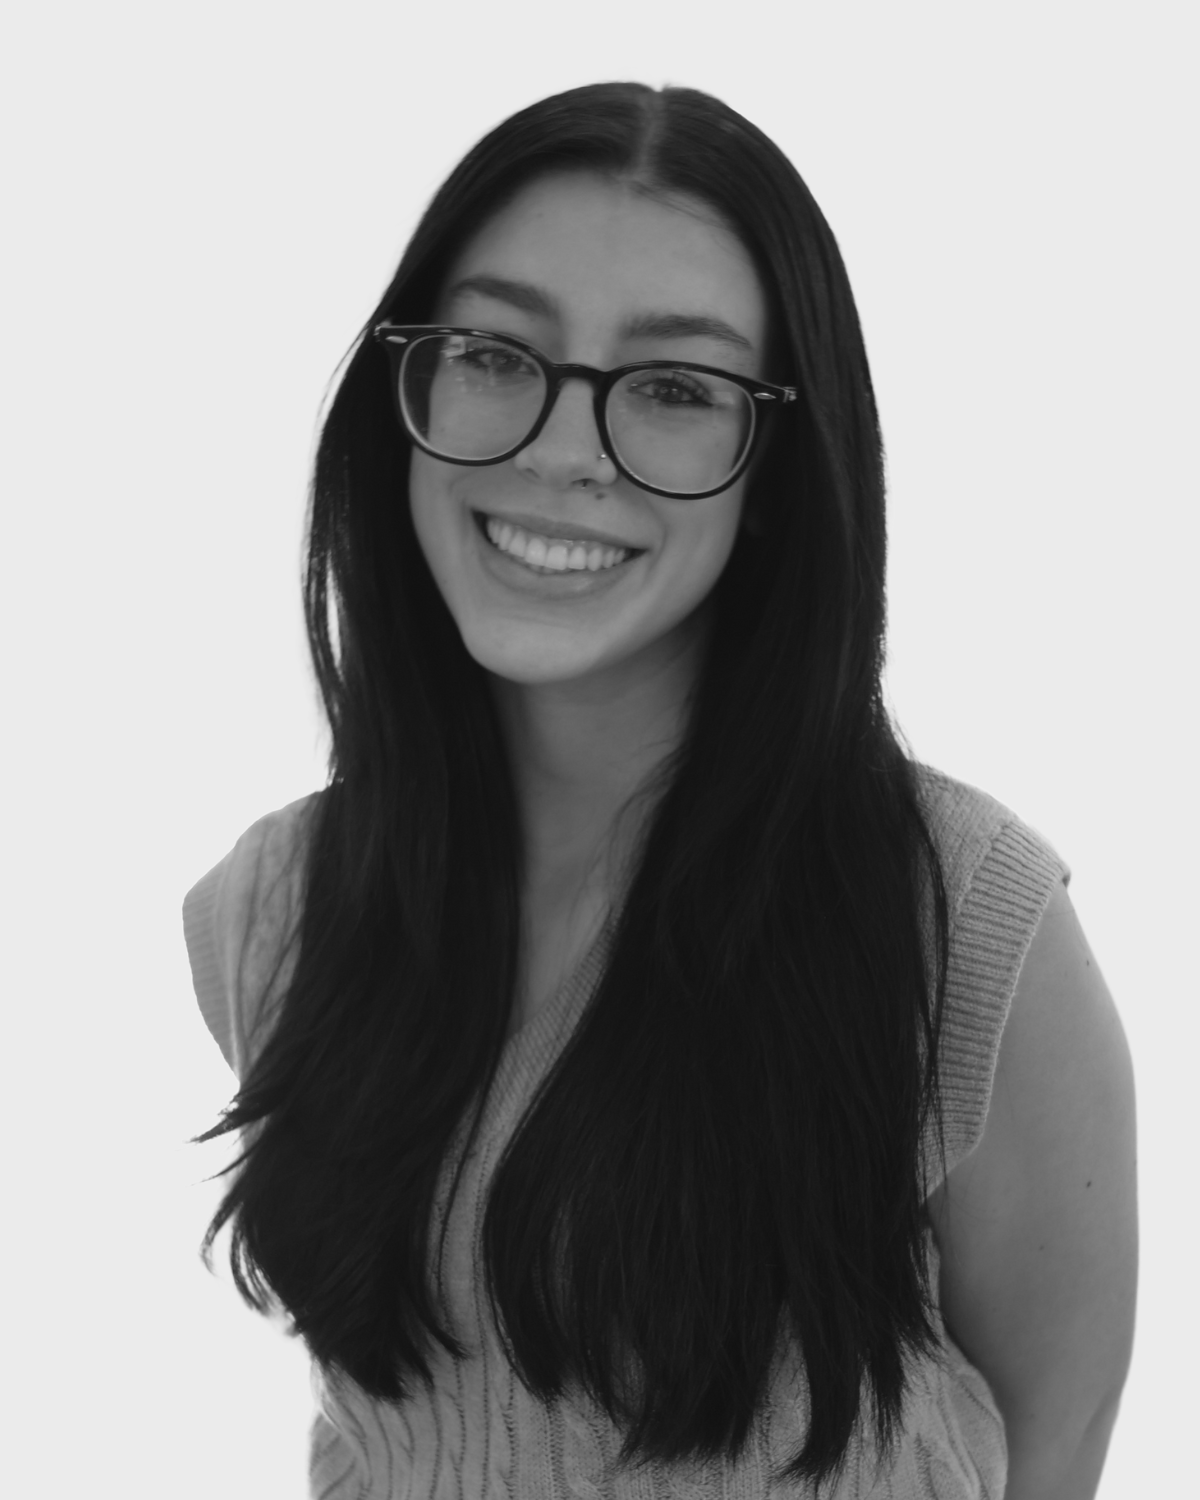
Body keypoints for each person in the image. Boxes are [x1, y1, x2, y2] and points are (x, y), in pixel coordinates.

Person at [182, 83, 1137, 1499]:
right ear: (411, 392)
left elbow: (1054, 1459)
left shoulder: (965, 927)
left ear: (775, 475)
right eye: (497, 353)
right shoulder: (270, 914)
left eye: (676, 389)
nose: (562, 450)